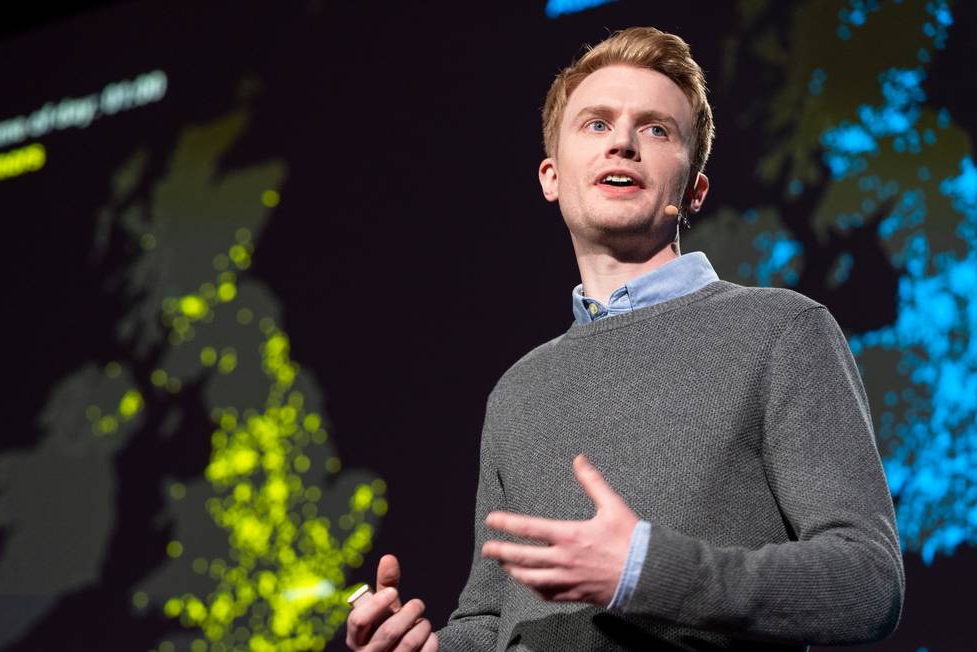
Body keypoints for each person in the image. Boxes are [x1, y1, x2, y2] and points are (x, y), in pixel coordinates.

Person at [345, 26, 904, 651]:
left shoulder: (781, 332)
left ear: (693, 190)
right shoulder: (518, 390)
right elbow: (493, 622)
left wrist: (646, 570)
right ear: (551, 177)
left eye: (656, 129)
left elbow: (866, 582)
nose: (623, 144)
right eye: (596, 124)